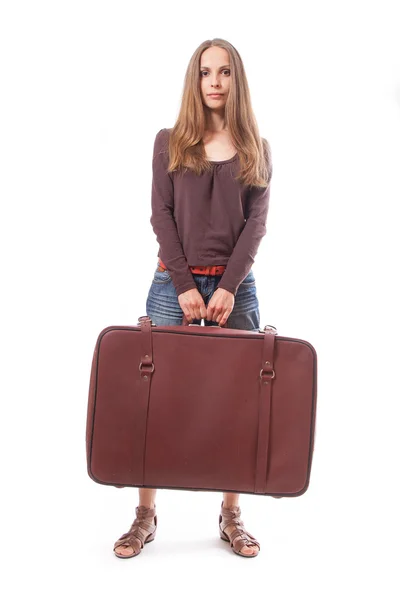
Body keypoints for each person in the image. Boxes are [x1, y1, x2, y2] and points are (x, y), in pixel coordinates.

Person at [113, 38, 273, 560]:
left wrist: (227, 286)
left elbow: (256, 227)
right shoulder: (169, 141)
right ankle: (144, 515)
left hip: (236, 289)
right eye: (206, 72)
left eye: (224, 72)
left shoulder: (256, 148)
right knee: (153, 403)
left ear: (235, 80)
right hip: (172, 284)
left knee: (237, 404)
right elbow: (161, 216)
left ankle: (231, 516)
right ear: (195, 78)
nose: (215, 81)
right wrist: (184, 285)